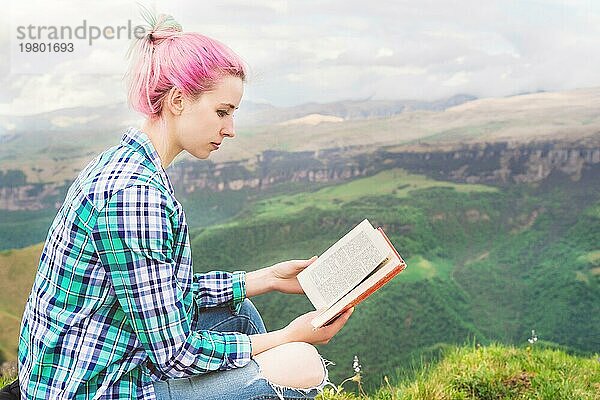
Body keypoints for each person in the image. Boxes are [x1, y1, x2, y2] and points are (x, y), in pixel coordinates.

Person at [15, 11, 353, 400]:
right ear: (177, 100)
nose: (230, 129)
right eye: (222, 112)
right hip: (96, 389)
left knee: (242, 313)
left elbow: (161, 293)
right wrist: (289, 336)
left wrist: (268, 278)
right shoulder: (134, 195)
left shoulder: (124, 162)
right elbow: (175, 355)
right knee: (302, 364)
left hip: (90, 365)